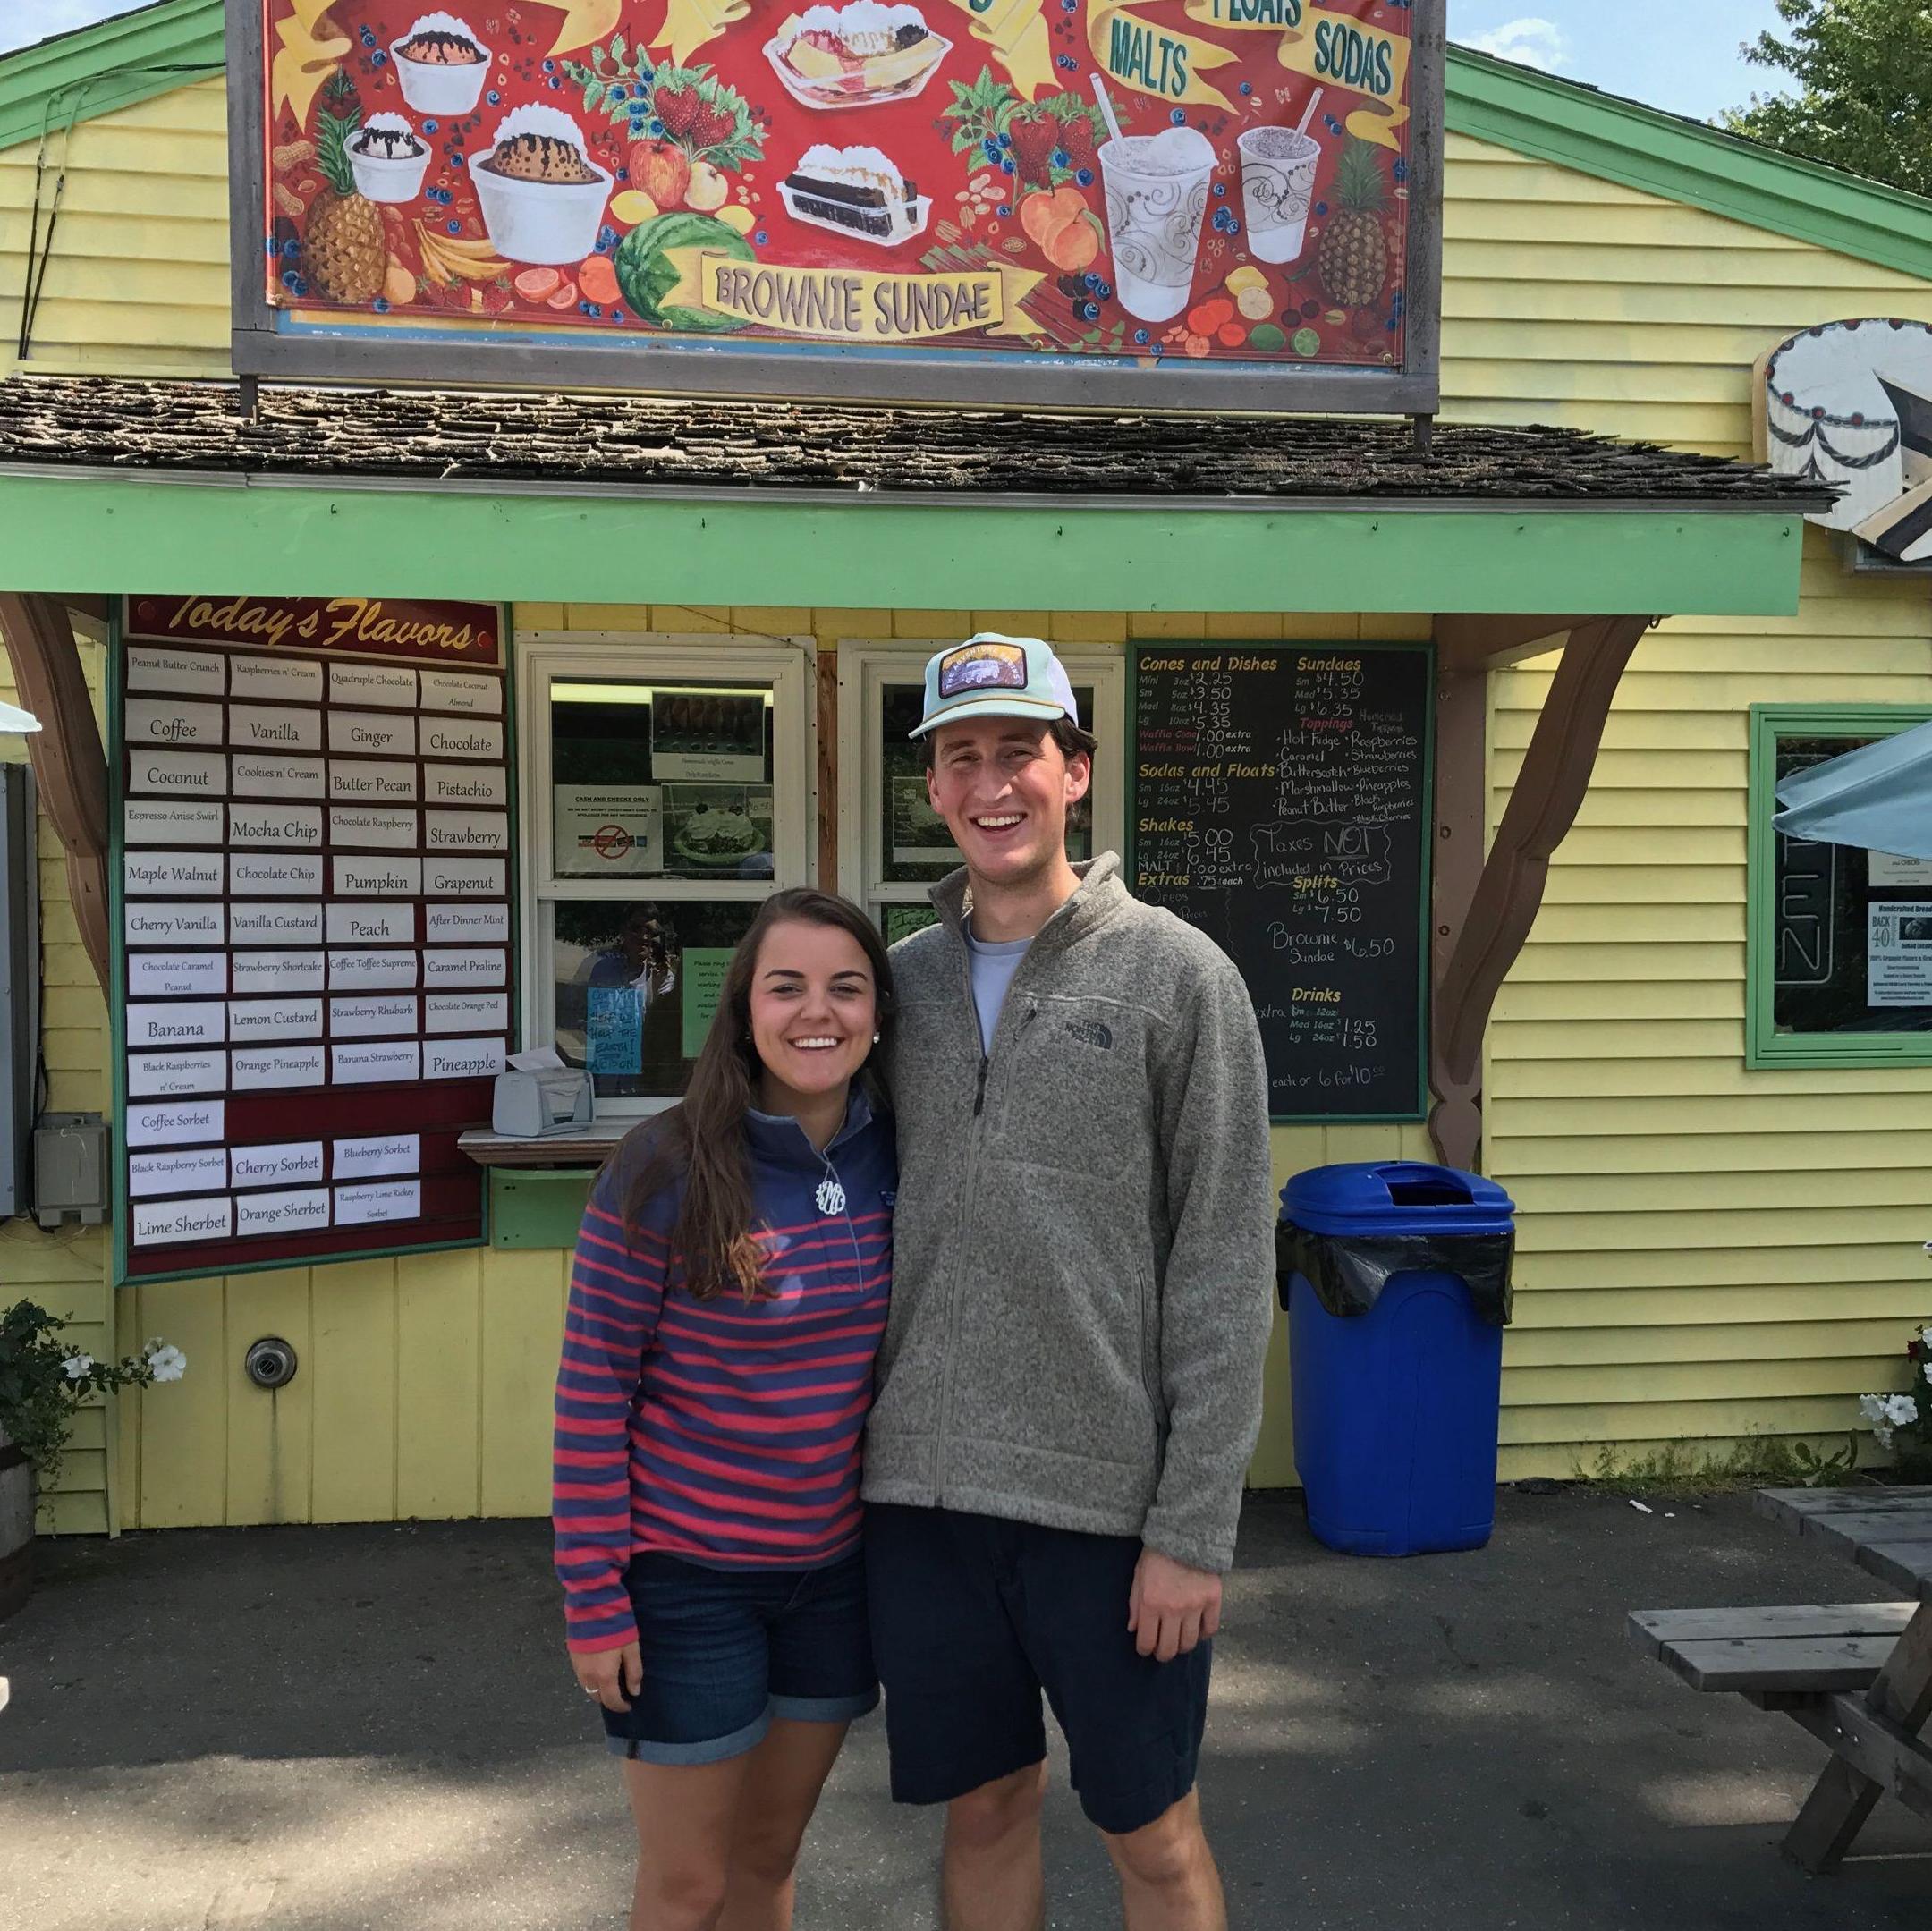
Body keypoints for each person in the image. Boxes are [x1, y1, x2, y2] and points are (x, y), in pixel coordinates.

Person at [862, 633, 1275, 1931]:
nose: (992, 781)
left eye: (1019, 751)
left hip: (1109, 1509)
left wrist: (1192, 1528)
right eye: (961, 755)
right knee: (984, 1808)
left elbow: (1222, 1257)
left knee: (1149, 1831)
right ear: (933, 787)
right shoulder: (899, 985)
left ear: (1076, 772)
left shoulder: (1180, 979)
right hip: (923, 1497)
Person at [552, 887, 895, 1931]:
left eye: (845, 986)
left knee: (766, 1857)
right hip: (686, 1583)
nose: (815, 1012)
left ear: (879, 1011)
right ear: (744, 1006)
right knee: (689, 1882)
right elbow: (593, 1387)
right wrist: (594, 1595)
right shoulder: (660, 1163)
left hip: (833, 1579)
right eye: (785, 986)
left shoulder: (901, 1155)